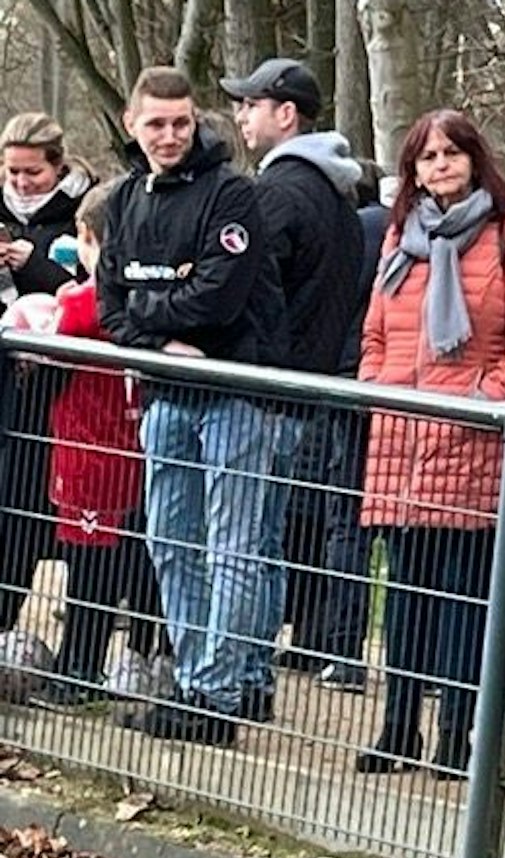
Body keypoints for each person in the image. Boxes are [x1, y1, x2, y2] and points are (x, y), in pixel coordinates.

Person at [98, 66, 285, 747]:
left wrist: (152, 308)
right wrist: (161, 331)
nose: (171, 135)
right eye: (157, 124)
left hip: (234, 392)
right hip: (164, 393)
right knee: (171, 542)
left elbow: (219, 297)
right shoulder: (122, 202)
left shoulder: (232, 194)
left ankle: (217, 688)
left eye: (181, 122)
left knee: (232, 545)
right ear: (133, 124)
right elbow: (110, 307)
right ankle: (192, 673)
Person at [357, 109, 505, 776]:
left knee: (467, 599)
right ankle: (397, 724)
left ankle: (457, 734)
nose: (440, 165)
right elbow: (376, 333)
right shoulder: (398, 241)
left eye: (451, 153)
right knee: (407, 595)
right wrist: (378, 387)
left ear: (475, 159)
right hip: (401, 443)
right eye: (426, 156)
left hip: (474, 443)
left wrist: (482, 402)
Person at [224, 57, 366, 723]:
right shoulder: (334, 191)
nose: (240, 116)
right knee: (265, 538)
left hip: (264, 390)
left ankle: (232, 680)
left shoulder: (280, 192)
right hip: (300, 386)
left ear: (286, 113)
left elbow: (247, 287)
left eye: (250, 104)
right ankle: (250, 674)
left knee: (244, 542)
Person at [25, 180, 169, 707]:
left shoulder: (88, 302)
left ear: (90, 240)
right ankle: (141, 655)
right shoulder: (149, 298)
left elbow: (51, 347)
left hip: (89, 451)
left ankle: (79, 669)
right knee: (133, 559)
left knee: (88, 569)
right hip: (130, 448)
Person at [291, 157, 389, 695]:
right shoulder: (395, 232)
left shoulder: (354, 232)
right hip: (387, 382)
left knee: (344, 515)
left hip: (348, 378)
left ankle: (339, 646)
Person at [1, 112, 95, 642]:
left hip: (58, 392)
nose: (20, 184)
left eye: (31, 173)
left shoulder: (82, 213)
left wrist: (32, 263)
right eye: (11, 173)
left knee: (28, 510)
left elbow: (85, 291)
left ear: (57, 167)